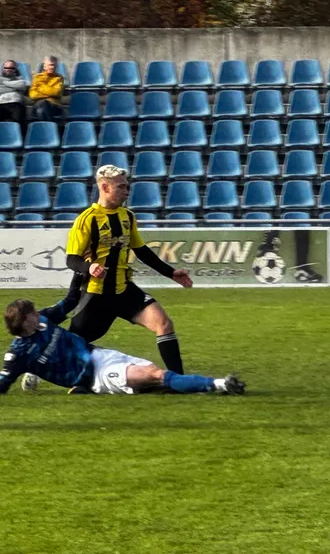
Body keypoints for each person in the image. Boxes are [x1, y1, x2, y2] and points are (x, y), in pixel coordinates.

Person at [66, 164, 191, 374]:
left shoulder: (128, 216)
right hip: (97, 295)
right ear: (105, 188)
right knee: (71, 347)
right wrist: (90, 267)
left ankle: (178, 380)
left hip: (124, 291)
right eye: (121, 187)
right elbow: (72, 259)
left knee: (164, 324)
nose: (126, 192)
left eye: (127, 187)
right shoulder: (86, 219)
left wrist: (170, 272)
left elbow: (141, 250)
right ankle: (38, 371)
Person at [1, 289, 244, 396]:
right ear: (23, 323)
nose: (37, 313)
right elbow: (3, 384)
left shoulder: (43, 320)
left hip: (102, 356)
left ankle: (205, 387)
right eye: (31, 313)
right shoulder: (18, 354)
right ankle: (220, 384)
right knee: (156, 375)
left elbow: (70, 301)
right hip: (99, 375)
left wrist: (84, 272)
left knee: (157, 380)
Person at [29, 55, 64, 122]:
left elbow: (56, 92)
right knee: (43, 104)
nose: (52, 67)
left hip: (54, 105)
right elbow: (32, 95)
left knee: (41, 110)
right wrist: (49, 94)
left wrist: (41, 86)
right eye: (50, 65)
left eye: (54, 65)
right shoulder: (37, 77)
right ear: (44, 66)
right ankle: (51, 126)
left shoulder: (59, 78)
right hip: (38, 104)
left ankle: (45, 128)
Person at [0, 60, 27, 129]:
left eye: (12, 68)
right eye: (6, 68)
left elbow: (22, 86)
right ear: (3, 68)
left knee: (17, 123)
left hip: (16, 103)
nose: (9, 70)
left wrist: (3, 83)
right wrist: (14, 88)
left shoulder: (20, 80)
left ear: (16, 69)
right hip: (1, 103)